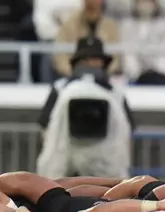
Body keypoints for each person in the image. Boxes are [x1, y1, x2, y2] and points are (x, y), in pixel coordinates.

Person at [37, 36, 135, 179]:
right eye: (86, 60)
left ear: (103, 62)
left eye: (95, 59)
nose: (91, 64)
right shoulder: (60, 89)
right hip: (65, 161)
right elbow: (45, 126)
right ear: (78, 63)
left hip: (104, 163)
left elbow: (127, 131)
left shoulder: (116, 93)